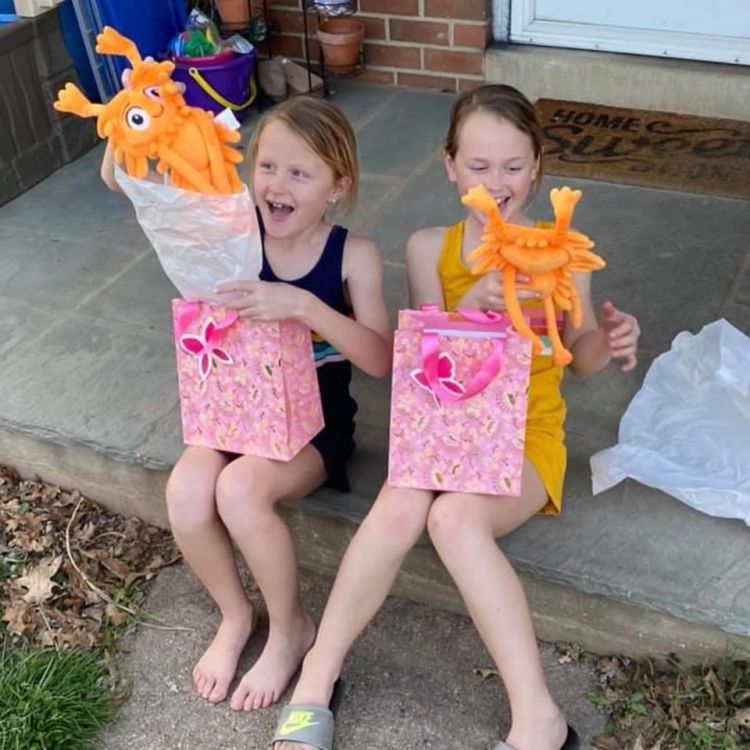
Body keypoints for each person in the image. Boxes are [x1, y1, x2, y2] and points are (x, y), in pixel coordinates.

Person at [271, 84, 640, 750]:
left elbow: (578, 358)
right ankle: (317, 678)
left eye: (513, 166)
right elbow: (424, 360)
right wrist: (473, 302)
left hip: (526, 433)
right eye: (478, 165)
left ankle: (539, 720)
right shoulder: (427, 248)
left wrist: (607, 342)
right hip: (447, 423)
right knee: (400, 503)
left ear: (537, 168)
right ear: (449, 165)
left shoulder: (562, 250)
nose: (496, 182)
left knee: (453, 519)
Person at [103, 96, 392, 712]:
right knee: (187, 490)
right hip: (235, 411)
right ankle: (235, 615)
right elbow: (126, 183)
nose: (277, 185)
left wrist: (306, 307)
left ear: (337, 186)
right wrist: (130, 119)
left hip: (314, 426)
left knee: (238, 490)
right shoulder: (229, 230)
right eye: (267, 167)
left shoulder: (352, 255)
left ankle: (289, 628)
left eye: (300, 173)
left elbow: (380, 360)